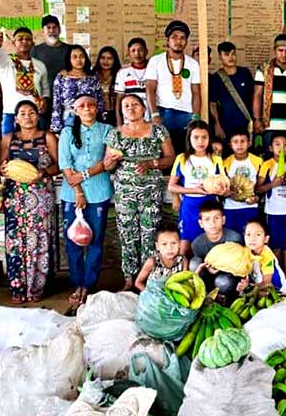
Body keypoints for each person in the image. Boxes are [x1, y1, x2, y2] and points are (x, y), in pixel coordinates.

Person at [104, 94, 176, 290]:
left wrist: (152, 163)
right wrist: (113, 160)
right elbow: (106, 164)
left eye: (135, 104)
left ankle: (149, 277)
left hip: (151, 192)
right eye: (126, 105)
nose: (130, 108)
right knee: (127, 234)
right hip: (125, 192)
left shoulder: (158, 130)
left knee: (150, 234)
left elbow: (170, 158)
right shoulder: (115, 133)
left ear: (143, 108)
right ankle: (129, 278)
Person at [0, 100, 59, 304]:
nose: (27, 117)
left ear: (38, 116)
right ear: (15, 119)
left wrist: (42, 173)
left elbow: (58, 165)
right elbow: (1, 166)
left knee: (39, 239)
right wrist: (5, 169)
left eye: (31, 113)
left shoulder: (48, 137)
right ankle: (18, 288)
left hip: (41, 195)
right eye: (22, 113)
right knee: (16, 241)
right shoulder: (8, 139)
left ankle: (37, 287)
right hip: (15, 197)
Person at [58, 94, 113, 309]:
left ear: (97, 108)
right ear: (75, 110)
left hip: (99, 192)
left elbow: (108, 163)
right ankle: (77, 284)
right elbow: (65, 164)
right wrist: (78, 190)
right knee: (73, 241)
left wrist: (83, 176)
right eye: (82, 105)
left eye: (91, 105)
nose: (87, 108)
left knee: (95, 241)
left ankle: (89, 284)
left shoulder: (107, 130)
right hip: (72, 194)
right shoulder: (66, 132)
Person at [168, 120, 227, 256]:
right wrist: (194, 190)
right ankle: (185, 275)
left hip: (210, 204)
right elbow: (172, 186)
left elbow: (223, 183)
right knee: (185, 247)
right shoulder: (182, 159)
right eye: (196, 137)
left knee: (211, 244)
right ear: (189, 138)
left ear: (209, 139)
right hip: (189, 205)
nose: (200, 141)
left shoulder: (215, 159)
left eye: (204, 137)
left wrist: (224, 191)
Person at [147, 21, 202, 153]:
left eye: (183, 38)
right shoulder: (156, 61)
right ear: (167, 40)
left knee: (184, 154)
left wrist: (195, 118)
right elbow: (150, 89)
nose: (179, 41)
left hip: (186, 116)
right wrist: (154, 114)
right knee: (162, 154)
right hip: (163, 113)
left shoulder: (193, 64)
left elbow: (196, 92)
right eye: (175, 37)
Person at [0, 27, 50, 135]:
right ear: (14, 42)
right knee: (8, 147)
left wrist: (45, 100)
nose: (24, 41)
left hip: (35, 114)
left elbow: (45, 89)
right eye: (20, 39)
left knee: (38, 147)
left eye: (28, 39)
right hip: (11, 113)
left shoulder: (40, 65)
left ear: (33, 43)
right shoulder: (6, 62)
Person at [256, 133, 286, 277]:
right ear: (271, 148)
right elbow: (258, 189)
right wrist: (273, 184)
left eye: (285, 145)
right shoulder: (267, 165)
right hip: (273, 212)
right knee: (276, 245)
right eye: (277, 144)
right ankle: (278, 275)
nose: (281, 148)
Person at [253, 34, 286, 150]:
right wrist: (257, 119)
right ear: (274, 50)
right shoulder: (263, 70)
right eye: (280, 50)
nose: (283, 54)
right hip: (270, 125)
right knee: (270, 158)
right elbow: (257, 95)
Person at [51, 45, 103, 133]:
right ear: (69, 59)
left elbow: (99, 101)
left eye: (81, 56)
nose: (78, 60)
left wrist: (101, 120)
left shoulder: (92, 78)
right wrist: (56, 126)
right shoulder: (62, 77)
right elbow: (57, 102)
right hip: (68, 119)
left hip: (90, 117)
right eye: (74, 57)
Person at [209, 41, 254, 141]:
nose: (231, 57)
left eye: (233, 54)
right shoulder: (216, 78)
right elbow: (212, 104)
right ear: (220, 57)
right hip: (226, 125)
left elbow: (254, 97)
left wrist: (256, 120)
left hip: (246, 123)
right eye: (226, 54)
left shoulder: (245, 73)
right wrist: (217, 125)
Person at [222, 131, 262, 234]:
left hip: (250, 207)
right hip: (230, 207)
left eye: (242, 141)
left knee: (249, 238)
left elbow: (260, 185)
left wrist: (257, 198)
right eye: (235, 142)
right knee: (232, 240)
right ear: (230, 145)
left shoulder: (258, 161)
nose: (239, 145)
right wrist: (226, 193)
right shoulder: (225, 163)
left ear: (249, 143)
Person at [244, 217, 286, 296]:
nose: (252, 238)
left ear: (266, 239)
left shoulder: (267, 255)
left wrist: (248, 287)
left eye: (258, 234)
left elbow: (267, 284)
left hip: (277, 292)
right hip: (257, 286)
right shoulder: (245, 251)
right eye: (248, 234)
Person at [134, 221, 188, 291]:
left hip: (173, 296)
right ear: (157, 246)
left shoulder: (183, 261)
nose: (169, 248)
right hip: (153, 296)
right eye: (164, 244)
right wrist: (151, 295)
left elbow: (184, 282)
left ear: (180, 244)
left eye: (174, 243)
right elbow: (138, 283)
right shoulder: (152, 262)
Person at [30, 15, 70, 95]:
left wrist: (69, 72)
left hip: (66, 95)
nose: (52, 31)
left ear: (59, 30)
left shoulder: (70, 49)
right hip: (43, 96)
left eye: (54, 27)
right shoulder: (35, 50)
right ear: (43, 31)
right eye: (48, 27)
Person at [115, 38, 151, 123]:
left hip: (151, 119)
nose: (137, 54)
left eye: (140, 50)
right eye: (133, 50)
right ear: (128, 53)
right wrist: (119, 121)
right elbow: (119, 99)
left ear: (146, 51)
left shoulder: (154, 69)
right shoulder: (123, 72)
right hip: (130, 121)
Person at [94, 46, 121, 127]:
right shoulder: (92, 75)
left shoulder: (120, 75)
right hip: (96, 114)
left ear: (114, 60)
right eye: (103, 58)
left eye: (109, 58)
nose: (106, 61)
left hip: (116, 114)